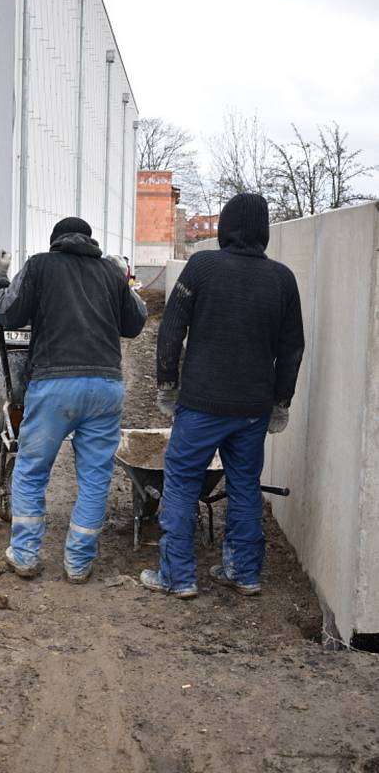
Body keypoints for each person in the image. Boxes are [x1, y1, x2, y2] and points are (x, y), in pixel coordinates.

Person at [140, 193, 304, 599]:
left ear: (225, 228)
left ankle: (177, 577)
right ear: (264, 231)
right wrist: (280, 403)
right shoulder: (282, 279)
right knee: (245, 485)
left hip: (201, 404)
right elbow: (293, 347)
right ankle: (244, 573)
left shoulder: (203, 267)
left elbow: (171, 332)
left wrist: (167, 385)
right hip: (252, 408)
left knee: (179, 483)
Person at [0, 217, 147, 583]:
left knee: (31, 469)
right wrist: (123, 281)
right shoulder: (108, 272)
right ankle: (78, 562)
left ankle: (25, 555)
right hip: (105, 388)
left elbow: (8, 312)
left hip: (54, 386)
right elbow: (135, 324)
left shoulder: (41, 265)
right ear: (90, 242)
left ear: (55, 241)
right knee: (94, 478)